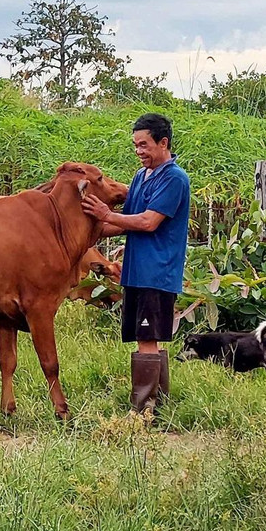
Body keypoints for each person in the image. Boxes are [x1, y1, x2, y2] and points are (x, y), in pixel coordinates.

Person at [82, 112, 191, 415]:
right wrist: (82, 231)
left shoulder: (174, 179)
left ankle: (142, 411)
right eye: (135, 146)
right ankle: (161, 406)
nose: (139, 151)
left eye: (144, 145)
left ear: (163, 142)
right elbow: (123, 223)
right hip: (136, 272)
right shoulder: (140, 177)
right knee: (148, 338)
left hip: (156, 272)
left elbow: (147, 222)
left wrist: (105, 214)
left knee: (146, 337)